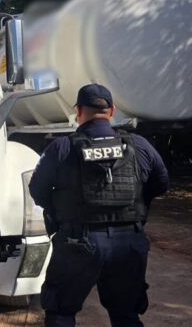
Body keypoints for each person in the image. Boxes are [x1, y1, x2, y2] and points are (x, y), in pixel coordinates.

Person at [29, 83, 169, 327]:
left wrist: (61, 213)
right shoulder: (139, 145)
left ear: (78, 111)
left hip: (77, 243)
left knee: (61, 313)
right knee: (126, 315)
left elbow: (37, 190)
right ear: (112, 110)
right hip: (128, 244)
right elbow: (161, 184)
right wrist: (135, 207)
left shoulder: (61, 148)